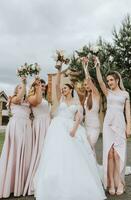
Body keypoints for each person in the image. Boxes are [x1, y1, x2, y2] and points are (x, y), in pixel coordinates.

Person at [33, 65, 106, 200]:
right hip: (57, 127)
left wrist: (74, 129)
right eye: (62, 88)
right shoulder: (61, 99)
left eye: (65, 88)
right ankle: (54, 180)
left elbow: (79, 117)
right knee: (56, 153)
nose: (62, 89)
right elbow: (55, 87)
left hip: (70, 127)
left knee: (73, 154)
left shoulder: (76, 102)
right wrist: (59, 70)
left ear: (71, 89)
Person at [95, 56, 131, 195]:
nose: (109, 82)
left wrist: (129, 127)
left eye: (111, 80)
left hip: (120, 125)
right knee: (109, 154)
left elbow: (127, 112)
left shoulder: (125, 94)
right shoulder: (107, 92)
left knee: (117, 154)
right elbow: (99, 81)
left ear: (117, 80)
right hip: (108, 125)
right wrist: (97, 66)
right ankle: (110, 182)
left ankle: (119, 182)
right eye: (108, 80)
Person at [0, 77, 32, 198]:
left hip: (27, 126)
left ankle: (22, 182)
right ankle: (11, 183)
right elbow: (19, 97)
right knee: (15, 151)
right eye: (19, 87)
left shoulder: (28, 102)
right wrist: (24, 83)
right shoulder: (13, 99)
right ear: (16, 90)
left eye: (22, 88)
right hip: (16, 125)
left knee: (25, 153)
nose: (22, 89)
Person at [23, 78, 50, 196]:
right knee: (40, 151)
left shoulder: (45, 99)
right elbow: (37, 101)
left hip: (48, 124)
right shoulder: (31, 98)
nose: (43, 87)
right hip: (40, 125)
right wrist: (37, 87)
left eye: (44, 86)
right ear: (35, 87)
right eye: (41, 86)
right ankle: (37, 179)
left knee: (49, 151)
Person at [82, 60, 100, 154]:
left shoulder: (96, 94)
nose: (87, 85)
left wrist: (85, 66)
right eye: (85, 85)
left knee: (89, 146)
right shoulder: (86, 97)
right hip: (86, 127)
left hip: (94, 127)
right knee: (89, 150)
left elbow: (88, 79)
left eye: (88, 84)